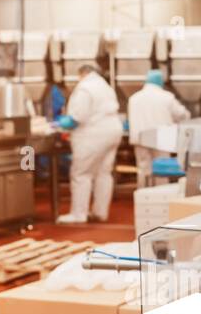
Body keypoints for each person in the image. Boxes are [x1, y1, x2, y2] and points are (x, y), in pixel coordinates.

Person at [56, 63, 123, 224]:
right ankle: (100, 212)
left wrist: (62, 123)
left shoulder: (84, 88)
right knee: (103, 173)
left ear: (82, 73)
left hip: (93, 134)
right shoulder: (105, 86)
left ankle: (78, 214)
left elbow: (78, 117)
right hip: (113, 132)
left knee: (81, 173)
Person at [127, 69, 190, 185]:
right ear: (160, 82)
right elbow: (183, 115)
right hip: (161, 139)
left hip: (140, 138)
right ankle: (160, 197)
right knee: (162, 169)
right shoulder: (167, 97)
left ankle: (143, 197)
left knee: (143, 169)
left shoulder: (134, 98)